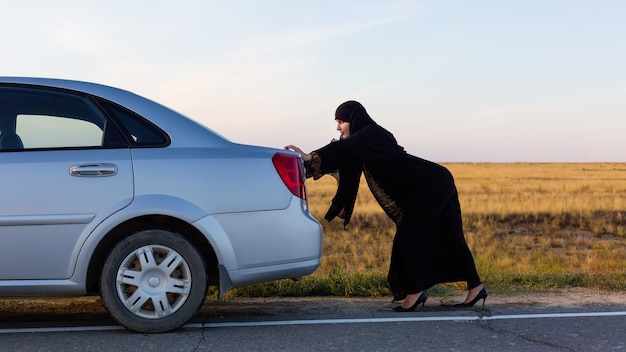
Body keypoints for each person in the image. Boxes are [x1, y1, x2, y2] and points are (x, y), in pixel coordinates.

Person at [285, 100, 487, 311]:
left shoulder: (372, 134)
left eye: (340, 121)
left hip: (433, 184)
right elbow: (341, 154)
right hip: (435, 182)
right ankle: (476, 287)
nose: (337, 127)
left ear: (353, 119)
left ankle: (415, 292)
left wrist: (310, 156)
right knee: (449, 233)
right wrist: (302, 163)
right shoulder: (364, 141)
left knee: (409, 233)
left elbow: (342, 148)